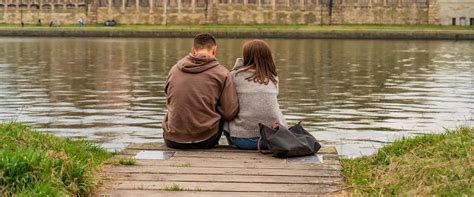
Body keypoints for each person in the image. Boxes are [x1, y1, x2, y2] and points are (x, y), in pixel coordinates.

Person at [162, 33, 239, 149]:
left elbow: (169, 97)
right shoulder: (222, 73)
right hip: (205, 140)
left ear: (193, 50)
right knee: (226, 109)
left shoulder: (174, 70)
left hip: (172, 139)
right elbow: (229, 113)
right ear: (214, 50)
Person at [224, 40, 287, 150]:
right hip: (273, 140)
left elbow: (228, 106)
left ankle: (231, 144)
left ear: (246, 56)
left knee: (225, 109)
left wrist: (238, 64)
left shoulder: (234, 76)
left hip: (242, 141)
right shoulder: (273, 77)